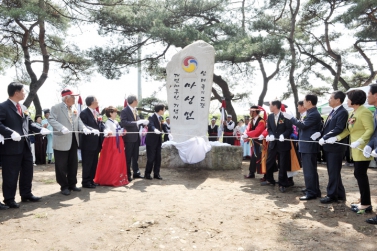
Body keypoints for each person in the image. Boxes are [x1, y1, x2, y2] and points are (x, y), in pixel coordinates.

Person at [0, 82, 50, 209]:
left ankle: (26, 193)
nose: (24, 93)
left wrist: (40, 129)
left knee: (28, 171)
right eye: (23, 91)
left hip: (25, 146)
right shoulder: (3, 107)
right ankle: (9, 199)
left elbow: (29, 124)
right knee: (11, 174)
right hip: (10, 147)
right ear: (16, 92)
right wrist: (10, 132)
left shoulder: (23, 107)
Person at [330, 90, 374, 213]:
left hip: (363, 148)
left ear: (355, 99)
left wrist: (360, 141)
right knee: (359, 174)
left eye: (349, 98)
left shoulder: (364, 112)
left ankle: (366, 204)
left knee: (360, 174)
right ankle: (364, 200)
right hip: (355, 149)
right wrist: (337, 138)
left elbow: (369, 130)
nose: (347, 100)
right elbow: (348, 130)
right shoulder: (353, 112)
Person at [49, 89, 89, 196]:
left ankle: (72, 184)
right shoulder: (56, 107)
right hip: (61, 140)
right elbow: (51, 119)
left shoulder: (74, 108)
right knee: (61, 165)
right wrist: (61, 128)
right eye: (73, 97)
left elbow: (78, 120)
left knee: (73, 164)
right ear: (67, 98)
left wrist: (83, 128)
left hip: (73, 140)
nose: (75, 99)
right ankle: (64, 186)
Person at [283, 94, 322, 200]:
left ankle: (311, 192)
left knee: (309, 170)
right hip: (306, 145)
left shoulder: (313, 113)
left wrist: (291, 118)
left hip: (309, 146)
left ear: (309, 102)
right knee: (309, 170)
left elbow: (303, 125)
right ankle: (314, 189)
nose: (303, 103)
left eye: (304, 101)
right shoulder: (311, 113)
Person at [317, 91, 348, 203]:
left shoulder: (342, 112)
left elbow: (339, 128)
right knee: (333, 171)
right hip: (329, 147)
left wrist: (325, 136)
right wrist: (320, 134)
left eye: (331, 98)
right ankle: (340, 194)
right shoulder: (333, 111)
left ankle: (332, 195)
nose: (329, 100)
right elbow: (328, 127)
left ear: (338, 100)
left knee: (333, 172)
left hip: (336, 147)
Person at [94, 106, 129, 186]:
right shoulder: (108, 122)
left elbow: (118, 131)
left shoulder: (116, 122)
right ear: (110, 113)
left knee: (118, 160)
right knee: (111, 160)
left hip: (118, 142)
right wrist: (107, 132)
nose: (116, 113)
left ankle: (118, 178)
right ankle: (110, 179)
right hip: (111, 142)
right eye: (115, 112)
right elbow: (106, 130)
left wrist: (123, 132)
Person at [262, 100, 292, 193]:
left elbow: (289, 129)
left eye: (270, 105)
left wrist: (284, 135)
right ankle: (270, 179)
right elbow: (269, 128)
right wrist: (270, 134)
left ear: (275, 106)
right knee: (269, 162)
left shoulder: (285, 116)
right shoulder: (270, 116)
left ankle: (282, 184)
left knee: (282, 164)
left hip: (283, 143)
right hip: (273, 143)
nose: (269, 107)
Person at [120, 95, 148, 181]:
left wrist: (144, 123)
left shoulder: (135, 110)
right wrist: (136, 122)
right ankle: (128, 174)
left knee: (135, 156)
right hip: (129, 137)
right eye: (137, 100)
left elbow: (138, 121)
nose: (138, 101)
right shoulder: (124, 111)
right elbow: (124, 122)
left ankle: (136, 173)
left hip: (136, 137)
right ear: (133, 101)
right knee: (128, 157)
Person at [79, 96, 104, 189]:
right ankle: (85, 181)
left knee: (94, 163)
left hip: (96, 142)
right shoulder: (84, 113)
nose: (97, 102)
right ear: (91, 102)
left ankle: (91, 180)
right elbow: (82, 125)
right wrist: (91, 129)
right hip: (88, 143)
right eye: (96, 101)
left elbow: (100, 125)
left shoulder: (96, 113)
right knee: (87, 163)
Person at [364, 83, 377, 224]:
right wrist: (370, 145)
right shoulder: (375, 110)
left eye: (369, 93)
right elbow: (375, 133)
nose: (367, 96)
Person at [243, 106, 266, 178]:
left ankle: (266, 175)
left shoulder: (261, 121)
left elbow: (258, 131)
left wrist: (247, 134)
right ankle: (251, 173)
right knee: (253, 157)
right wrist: (245, 134)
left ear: (255, 112)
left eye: (251, 111)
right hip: (254, 142)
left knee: (262, 158)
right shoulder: (251, 120)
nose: (249, 112)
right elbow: (248, 129)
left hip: (261, 142)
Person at [145, 104, 166, 180]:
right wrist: (154, 130)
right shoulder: (151, 117)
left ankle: (156, 174)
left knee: (158, 158)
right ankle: (147, 174)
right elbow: (151, 125)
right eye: (164, 109)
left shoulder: (161, 118)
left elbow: (163, 127)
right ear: (160, 110)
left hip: (158, 141)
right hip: (151, 141)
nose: (164, 111)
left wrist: (168, 132)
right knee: (151, 158)